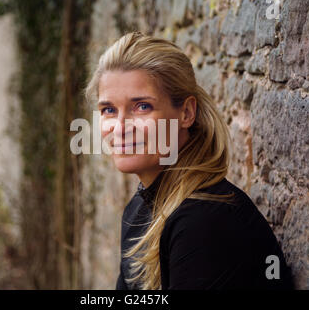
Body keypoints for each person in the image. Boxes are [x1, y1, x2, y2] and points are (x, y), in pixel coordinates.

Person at [84, 31, 294, 290]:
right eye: (109, 110)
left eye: (142, 107)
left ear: (186, 113)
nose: (120, 127)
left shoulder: (205, 220)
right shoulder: (139, 209)